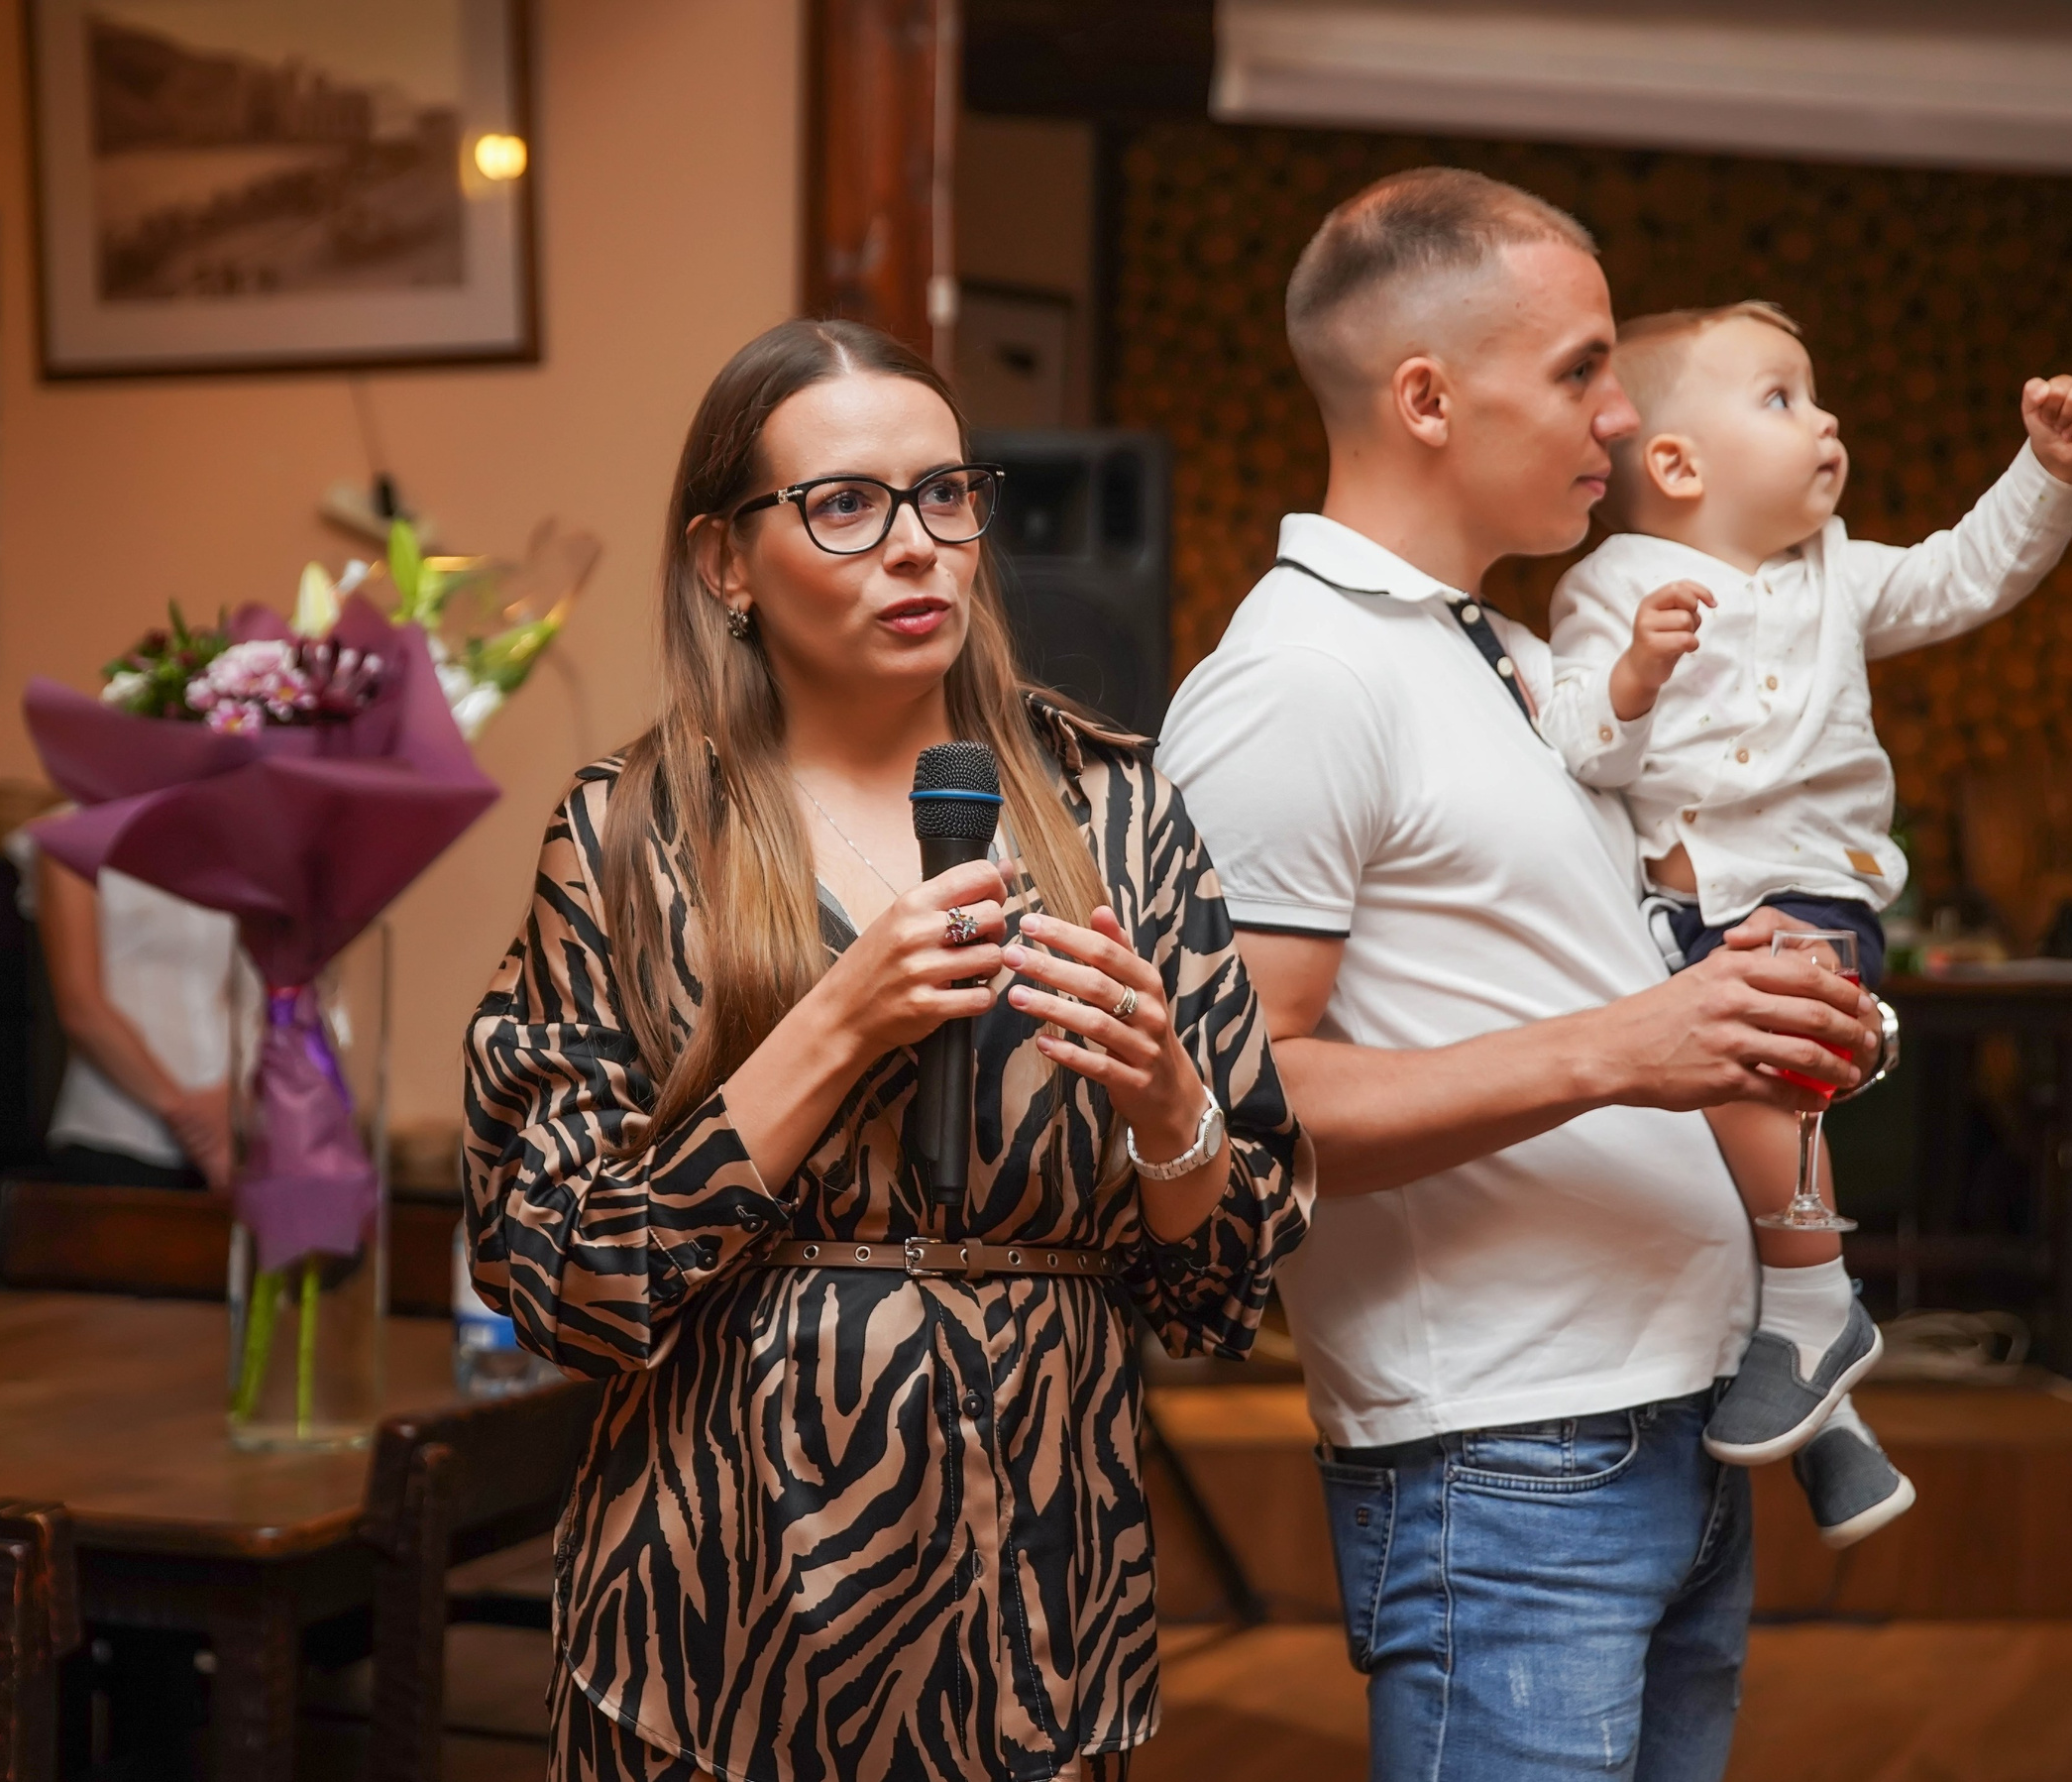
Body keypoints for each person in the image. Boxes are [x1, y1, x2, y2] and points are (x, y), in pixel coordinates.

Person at [462, 318, 1307, 1782]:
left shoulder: (1116, 812)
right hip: (710, 1604)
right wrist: (840, 1019)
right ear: (727, 560)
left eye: (947, 493)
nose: (917, 545)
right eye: (845, 504)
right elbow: (563, 1274)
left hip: (1041, 1587)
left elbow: (1223, 1286)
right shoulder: (627, 832)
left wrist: (1172, 1101)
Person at [1156, 168, 1878, 1781]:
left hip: (1667, 1420)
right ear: (1425, 396)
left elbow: (1578, 983)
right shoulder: (1297, 679)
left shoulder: (1518, 656)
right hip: (1503, 1460)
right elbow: (1235, 1099)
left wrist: (1752, 997)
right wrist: (1632, 1040)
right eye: (1579, 370)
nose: (1621, 419)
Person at [1544, 298, 2072, 1534]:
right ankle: (1832, 1434)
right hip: (1662, 922)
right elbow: (1577, 744)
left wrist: (2047, 472)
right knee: (1689, 1170)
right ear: (1679, 464)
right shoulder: (1609, 587)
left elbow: (1967, 570)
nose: (1826, 419)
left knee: (1751, 1072)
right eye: (1781, 398)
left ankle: (1813, 1303)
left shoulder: (1838, 578)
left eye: (1814, 393)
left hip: (1804, 898)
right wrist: (1633, 676)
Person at [12, 830, 239, 1190]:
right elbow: (80, 1006)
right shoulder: (74, 836)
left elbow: (256, 996)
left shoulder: (230, 836)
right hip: (118, 1134)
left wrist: (230, 1098)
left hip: (233, 1129)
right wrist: (189, 1119)